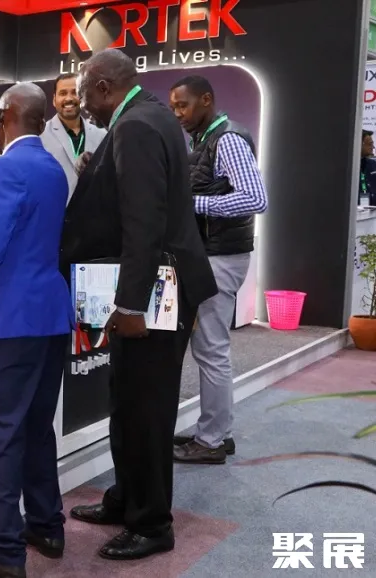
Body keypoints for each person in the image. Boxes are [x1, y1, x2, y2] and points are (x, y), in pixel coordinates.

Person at [61, 49, 217, 560]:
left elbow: (145, 222)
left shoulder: (136, 126)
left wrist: (131, 306)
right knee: (127, 401)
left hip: (155, 295)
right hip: (158, 287)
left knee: (146, 410)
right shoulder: (148, 116)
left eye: (85, 95)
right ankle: (126, 498)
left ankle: (151, 523)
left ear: (105, 86)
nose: (83, 106)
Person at [0, 82, 75, 578]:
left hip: (11, 322)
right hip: (49, 316)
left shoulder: (7, 167)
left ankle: (4, 550)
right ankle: (46, 525)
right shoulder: (53, 167)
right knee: (36, 427)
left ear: (4, 116)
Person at [168, 75, 268, 465]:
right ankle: (217, 432)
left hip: (220, 258)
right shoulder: (205, 139)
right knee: (211, 348)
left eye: (183, 105)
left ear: (206, 100)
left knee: (211, 349)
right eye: (174, 107)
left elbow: (255, 198)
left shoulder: (226, 139)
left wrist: (194, 204)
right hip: (215, 254)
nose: (178, 114)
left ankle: (210, 441)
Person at [40, 72, 107, 203]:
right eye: (63, 93)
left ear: (82, 96)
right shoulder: (40, 136)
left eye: (74, 92)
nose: (69, 98)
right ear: (54, 99)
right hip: (56, 212)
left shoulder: (101, 135)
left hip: (93, 211)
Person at [360, 129, 376, 206]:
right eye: (370, 144)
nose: (373, 147)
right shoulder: (347, 168)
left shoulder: (374, 165)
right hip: (355, 211)